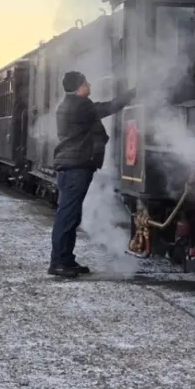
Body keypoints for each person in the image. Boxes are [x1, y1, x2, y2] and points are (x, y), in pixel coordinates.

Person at [49, 71, 135, 279]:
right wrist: (132, 94)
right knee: (67, 215)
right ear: (79, 87)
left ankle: (66, 259)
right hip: (76, 166)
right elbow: (108, 108)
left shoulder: (68, 105)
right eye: (86, 82)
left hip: (72, 165)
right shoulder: (81, 105)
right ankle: (59, 261)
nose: (89, 84)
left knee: (71, 214)